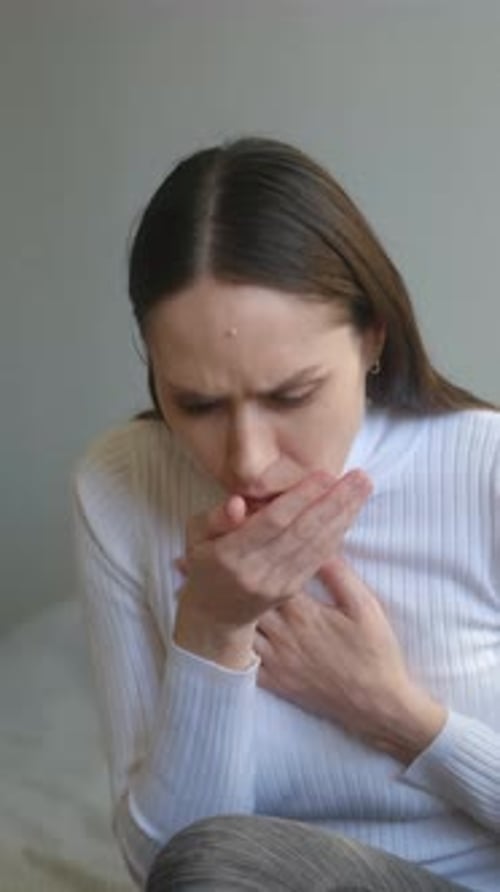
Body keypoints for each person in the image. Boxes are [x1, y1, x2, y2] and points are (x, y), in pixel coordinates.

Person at [72, 136, 500, 892]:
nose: (245, 458)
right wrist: (211, 628)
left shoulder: (485, 467)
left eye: (291, 395)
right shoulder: (120, 484)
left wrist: (397, 714)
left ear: (373, 338)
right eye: (197, 404)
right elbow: (168, 870)